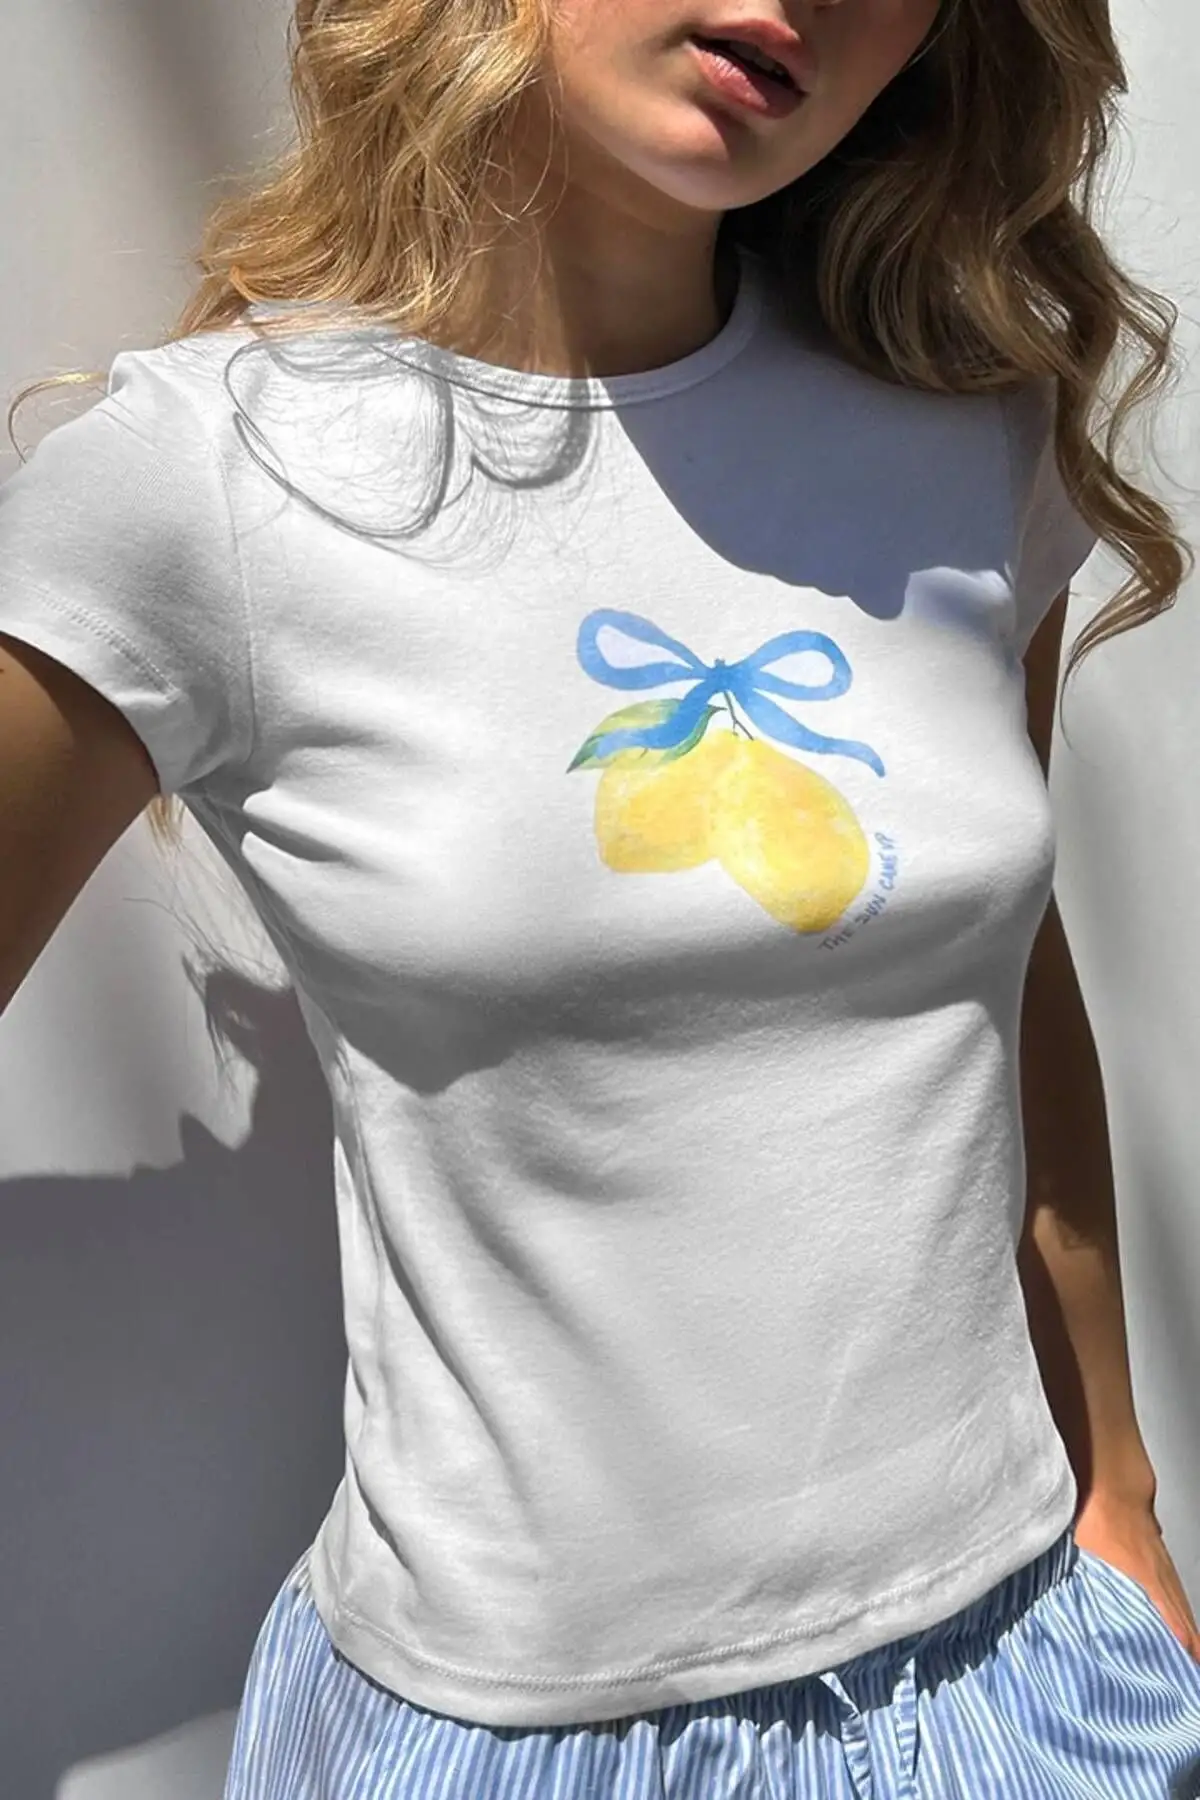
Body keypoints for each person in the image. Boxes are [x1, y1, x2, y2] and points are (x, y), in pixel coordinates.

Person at [2, 0, 1200, 1793]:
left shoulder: (960, 429)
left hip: (1022, 1685)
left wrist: (1120, 1494)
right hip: (508, 1739)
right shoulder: (201, 485)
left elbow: (1009, 985)